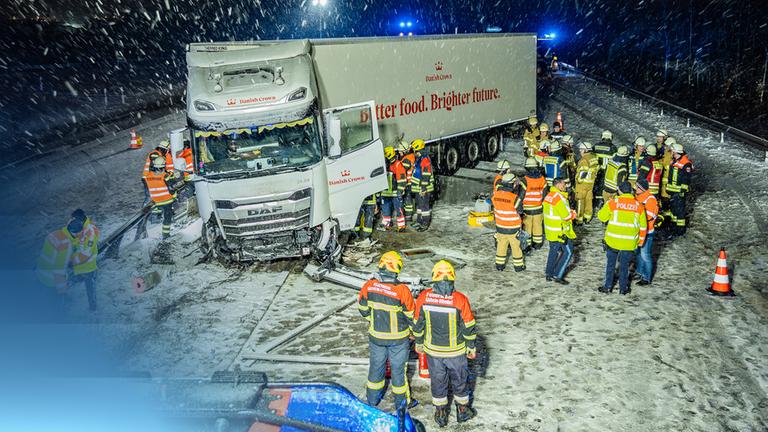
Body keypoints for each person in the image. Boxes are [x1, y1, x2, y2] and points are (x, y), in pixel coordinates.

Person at [413, 260, 477, 427]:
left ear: (434, 278)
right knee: (460, 380)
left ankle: (440, 413)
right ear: (452, 279)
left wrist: (419, 342)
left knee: (438, 380)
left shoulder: (423, 297)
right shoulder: (460, 299)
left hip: (433, 352)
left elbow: (417, 324)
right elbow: (468, 326)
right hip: (456, 352)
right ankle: (462, 411)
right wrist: (471, 346)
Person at [358, 251, 416, 411]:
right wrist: (414, 333)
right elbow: (412, 316)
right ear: (397, 269)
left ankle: (371, 401)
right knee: (399, 372)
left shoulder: (369, 286)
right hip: (399, 339)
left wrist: (375, 321)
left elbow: (363, 309)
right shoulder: (402, 290)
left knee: (376, 368)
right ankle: (403, 404)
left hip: (376, 337)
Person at [36, 209, 100, 312]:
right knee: (57, 296)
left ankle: (92, 308)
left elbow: (85, 254)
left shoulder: (90, 231)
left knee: (90, 288)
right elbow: (59, 271)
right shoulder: (69, 237)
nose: (71, 220)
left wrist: (68, 260)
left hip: (86, 267)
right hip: (61, 273)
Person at [598, 182, 647, 295]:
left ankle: (608, 286)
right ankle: (623, 289)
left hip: (612, 240)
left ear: (619, 191)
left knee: (611, 264)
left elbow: (601, 217)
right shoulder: (639, 206)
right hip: (629, 242)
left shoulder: (613, 203)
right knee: (624, 266)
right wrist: (640, 241)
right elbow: (643, 226)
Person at [543, 176, 576, 284]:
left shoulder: (549, 196)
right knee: (568, 252)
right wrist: (573, 213)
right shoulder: (559, 198)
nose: (565, 186)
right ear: (557, 185)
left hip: (551, 230)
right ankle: (558, 275)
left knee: (553, 252)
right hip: (560, 232)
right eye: (563, 184)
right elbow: (566, 216)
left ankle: (549, 273)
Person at [492, 173, 525, 271]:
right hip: (513, 228)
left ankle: (499, 265)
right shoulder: (515, 198)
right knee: (516, 247)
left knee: (501, 246)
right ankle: (518, 266)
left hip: (500, 227)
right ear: (512, 184)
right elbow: (520, 211)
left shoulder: (495, 196)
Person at [663, 141, 693, 239]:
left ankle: (680, 231)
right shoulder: (675, 161)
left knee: (679, 213)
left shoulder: (686, 163)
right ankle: (674, 229)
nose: (671, 153)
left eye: (672, 151)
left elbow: (686, 179)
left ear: (676, 152)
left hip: (679, 193)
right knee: (674, 212)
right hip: (673, 192)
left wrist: (682, 192)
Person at [145, 154, 177, 239]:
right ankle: (165, 235)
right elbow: (172, 187)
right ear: (162, 167)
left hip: (155, 202)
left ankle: (155, 220)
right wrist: (174, 196)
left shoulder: (148, 176)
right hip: (166, 201)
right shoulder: (165, 176)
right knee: (167, 218)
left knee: (158, 214)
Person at [634, 179, 658, 285]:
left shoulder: (650, 199)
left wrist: (635, 216)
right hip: (639, 231)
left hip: (647, 232)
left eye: (638, 187)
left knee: (645, 255)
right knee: (639, 253)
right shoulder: (638, 197)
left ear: (642, 188)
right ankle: (639, 271)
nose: (636, 188)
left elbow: (649, 216)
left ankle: (646, 277)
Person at [520, 157, 547, 250]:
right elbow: (544, 194)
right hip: (538, 207)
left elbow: (521, 195)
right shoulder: (542, 179)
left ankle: (527, 244)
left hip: (527, 208)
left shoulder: (524, 180)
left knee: (527, 226)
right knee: (537, 226)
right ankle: (538, 243)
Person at [380, 146, 407, 231]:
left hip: (395, 192)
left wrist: (400, 191)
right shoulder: (384, 164)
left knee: (398, 209)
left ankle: (401, 226)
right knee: (385, 209)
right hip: (386, 192)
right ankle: (386, 223)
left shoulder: (398, 164)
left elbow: (402, 179)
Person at [410, 139, 434, 231]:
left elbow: (426, 175)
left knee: (424, 207)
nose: (413, 152)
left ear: (417, 150)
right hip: (418, 188)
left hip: (423, 188)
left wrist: (423, 188)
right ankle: (419, 221)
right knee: (419, 206)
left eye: (414, 150)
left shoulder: (425, 159)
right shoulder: (420, 158)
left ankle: (425, 224)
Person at [574, 141, 599, 224]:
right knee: (589, 201)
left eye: (581, 150)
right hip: (590, 184)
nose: (580, 151)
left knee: (580, 201)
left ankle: (579, 219)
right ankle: (587, 217)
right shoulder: (594, 157)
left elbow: (583, 172)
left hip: (582, 184)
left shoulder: (584, 160)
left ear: (585, 150)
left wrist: (578, 180)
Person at [142, 140, 174, 205]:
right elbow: (157, 167)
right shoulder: (155, 154)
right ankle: (146, 210)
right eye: (166, 150)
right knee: (150, 195)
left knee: (154, 193)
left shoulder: (158, 154)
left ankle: (154, 208)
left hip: (150, 177)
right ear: (164, 149)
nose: (167, 152)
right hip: (148, 177)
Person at [593, 130, 616, 204]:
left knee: (596, 186)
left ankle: (596, 202)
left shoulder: (595, 146)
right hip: (607, 171)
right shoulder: (613, 148)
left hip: (596, 170)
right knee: (603, 187)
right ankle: (602, 202)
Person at [398, 140, 416, 221]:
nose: (399, 153)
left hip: (408, 183)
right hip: (411, 182)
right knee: (408, 199)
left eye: (401, 152)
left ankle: (408, 216)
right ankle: (409, 215)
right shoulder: (411, 156)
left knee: (407, 200)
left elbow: (402, 171)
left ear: (405, 150)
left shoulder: (406, 159)